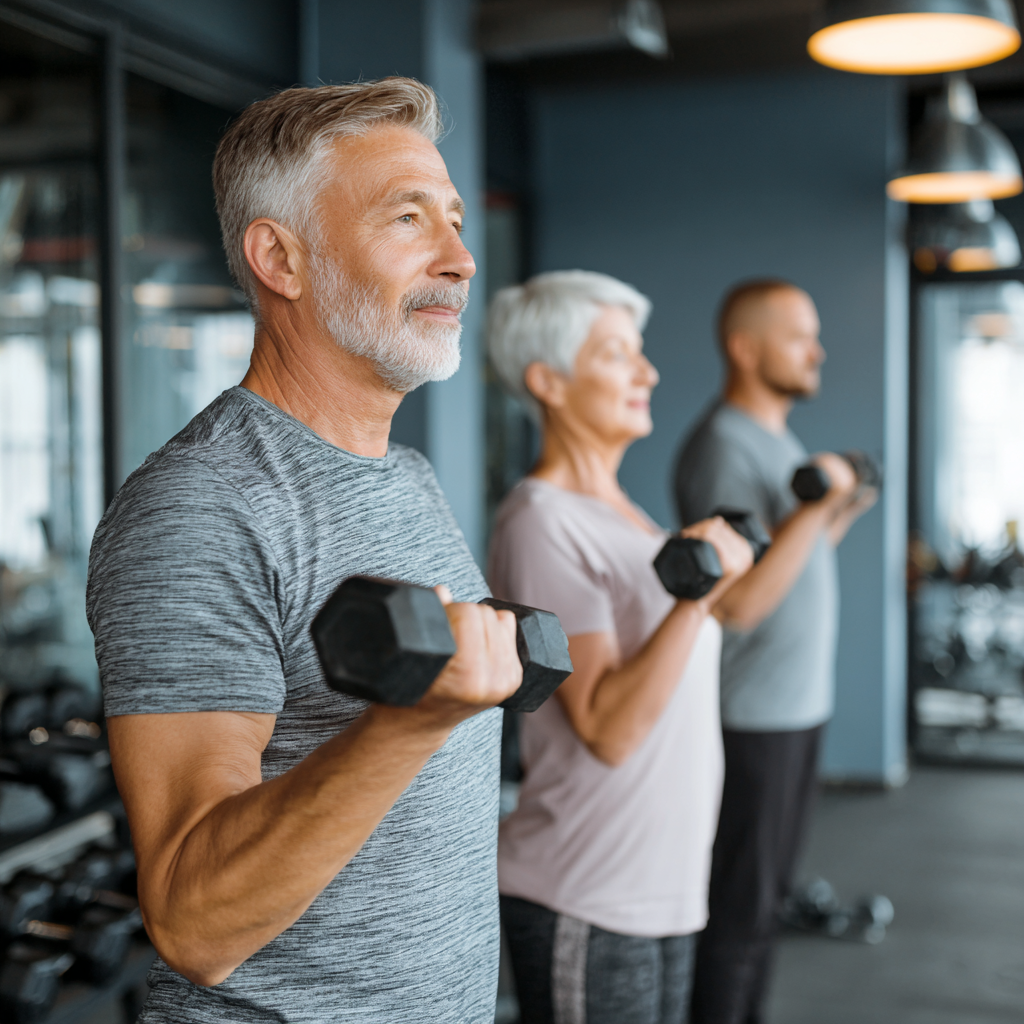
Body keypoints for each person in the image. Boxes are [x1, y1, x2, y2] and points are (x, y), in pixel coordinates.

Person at [85, 79, 524, 1023]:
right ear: (279, 257)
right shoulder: (200, 507)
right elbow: (194, 922)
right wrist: (407, 724)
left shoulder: (405, 474)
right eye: (409, 219)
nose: (461, 258)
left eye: (453, 219)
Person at [485, 271, 754, 1024]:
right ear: (550, 382)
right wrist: (695, 600)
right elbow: (608, 726)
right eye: (615, 354)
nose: (648, 371)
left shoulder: (628, 517)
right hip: (589, 890)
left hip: (660, 885)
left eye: (638, 352)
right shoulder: (541, 522)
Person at [673, 279, 877, 1024]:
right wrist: (818, 504)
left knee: (763, 911)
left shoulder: (774, 438)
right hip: (750, 716)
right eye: (800, 336)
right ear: (745, 348)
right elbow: (738, 602)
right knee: (738, 916)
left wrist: (837, 511)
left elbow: (792, 561)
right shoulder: (725, 445)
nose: (818, 350)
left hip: (792, 708)